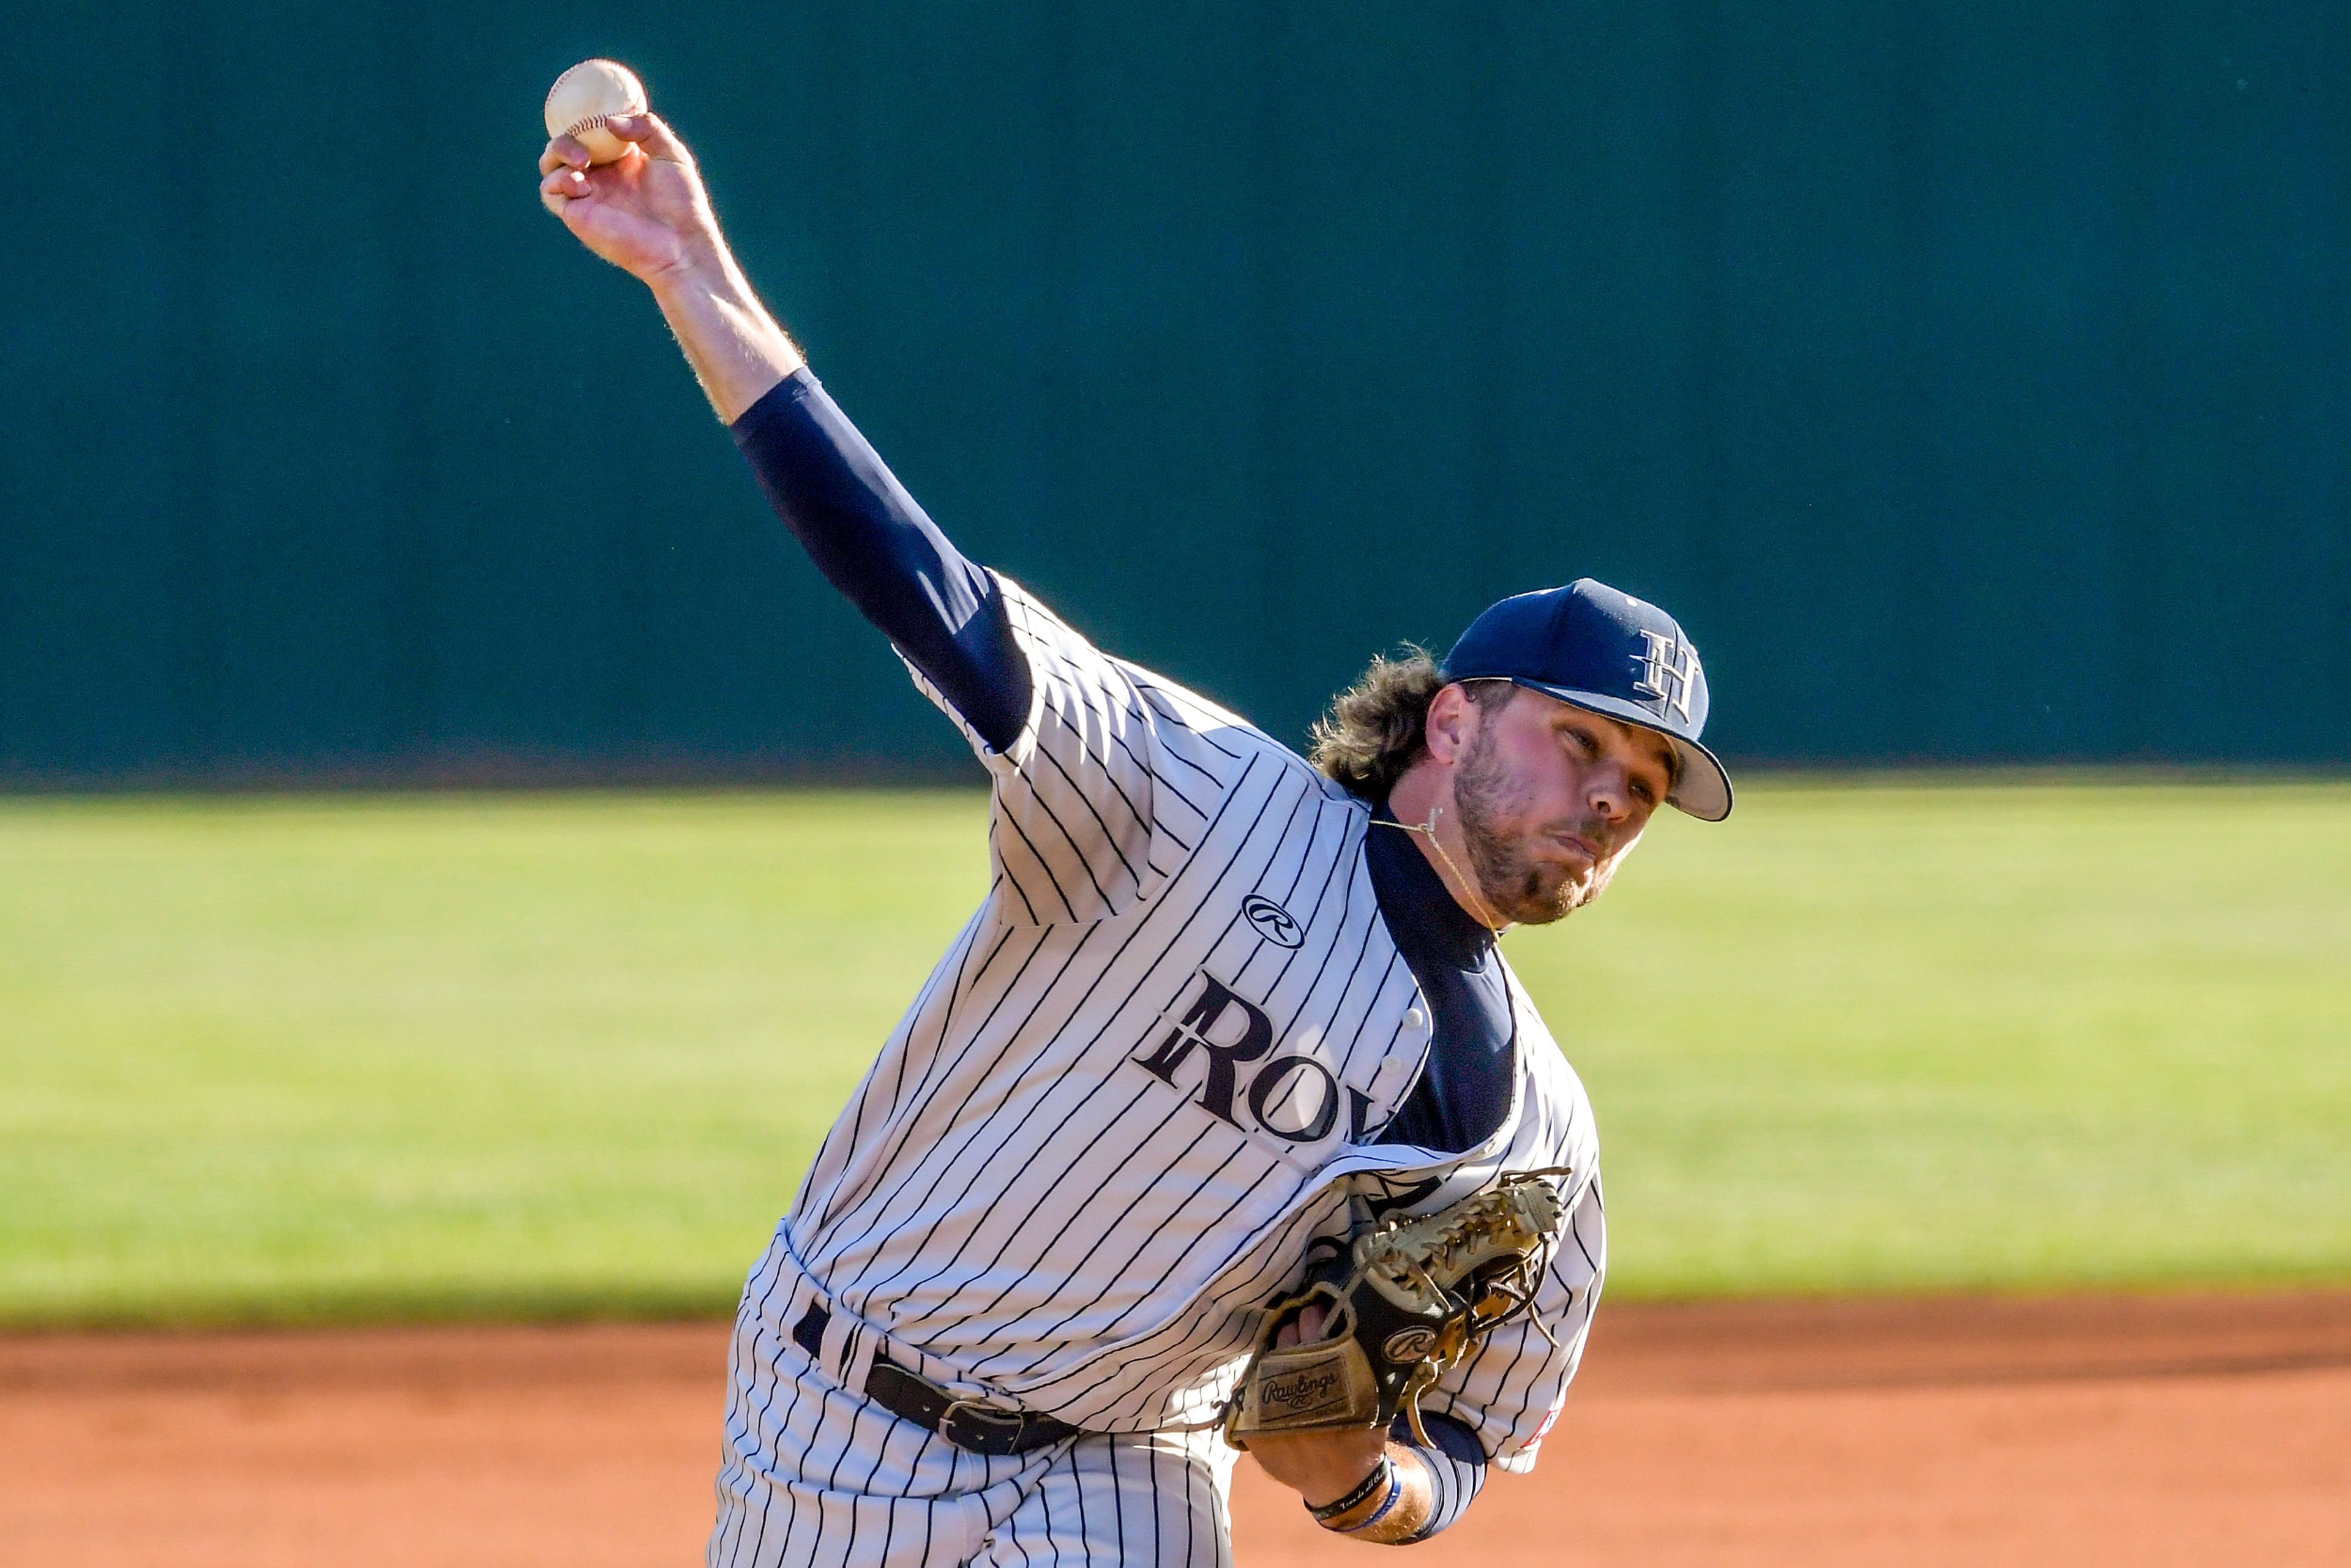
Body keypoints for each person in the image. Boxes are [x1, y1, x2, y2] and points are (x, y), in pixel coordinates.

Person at [539, 110, 1731, 1567]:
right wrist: (693, 277)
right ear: (1455, 724)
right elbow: (926, 591)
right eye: (1586, 740)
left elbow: (1475, 1429)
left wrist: (1367, 1487)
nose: (1617, 794)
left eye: (1651, 780)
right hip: (842, 1403)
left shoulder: (1530, 1129)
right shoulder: (1184, 798)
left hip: (1130, 1464)